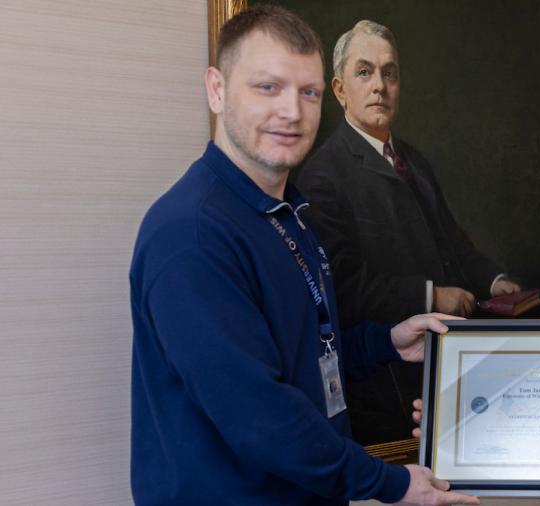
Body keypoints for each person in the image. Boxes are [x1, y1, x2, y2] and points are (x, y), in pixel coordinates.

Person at [129, 6, 479, 505]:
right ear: (216, 89)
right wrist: (392, 483)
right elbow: (258, 415)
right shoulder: (192, 235)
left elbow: (303, 356)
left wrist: (386, 344)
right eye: (267, 87)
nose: (292, 112)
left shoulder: (288, 213)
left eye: (308, 92)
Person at [294, 20, 519, 443]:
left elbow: (452, 240)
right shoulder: (323, 176)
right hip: (383, 384)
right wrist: (431, 295)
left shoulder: (412, 159)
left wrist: (494, 279)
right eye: (365, 72)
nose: (379, 85)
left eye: (389, 73)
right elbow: (344, 286)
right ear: (340, 90)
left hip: (444, 369)